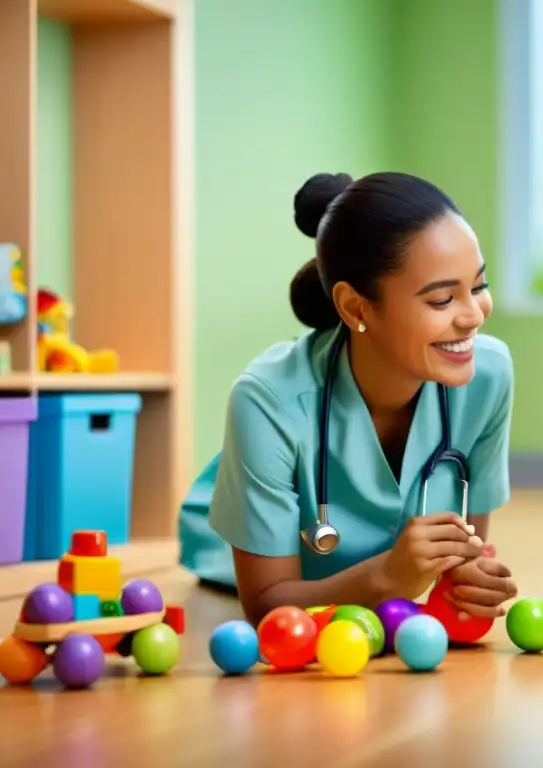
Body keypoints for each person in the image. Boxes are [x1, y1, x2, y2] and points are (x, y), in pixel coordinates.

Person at [178, 171, 518, 626]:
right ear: (356, 308)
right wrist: (387, 578)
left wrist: (470, 577)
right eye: (442, 300)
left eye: (477, 286)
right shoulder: (266, 401)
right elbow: (266, 604)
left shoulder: (488, 375)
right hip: (237, 551)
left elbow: (465, 554)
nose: (474, 315)